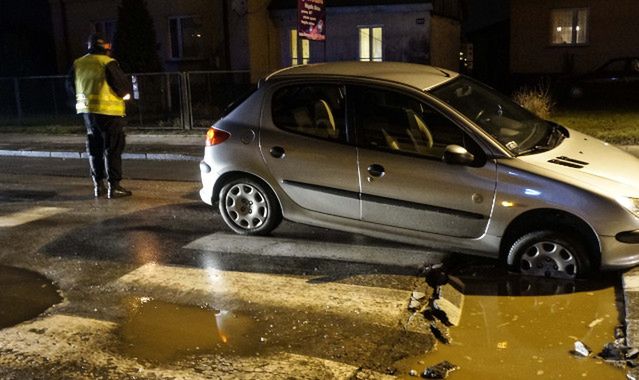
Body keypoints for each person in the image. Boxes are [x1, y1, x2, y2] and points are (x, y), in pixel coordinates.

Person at [67, 33, 132, 198]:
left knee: (94, 149)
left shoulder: (78, 63)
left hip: (88, 113)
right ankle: (114, 187)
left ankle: (98, 186)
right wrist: (125, 96)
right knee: (113, 149)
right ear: (105, 49)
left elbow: (69, 86)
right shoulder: (107, 63)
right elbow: (122, 87)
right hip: (109, 113)